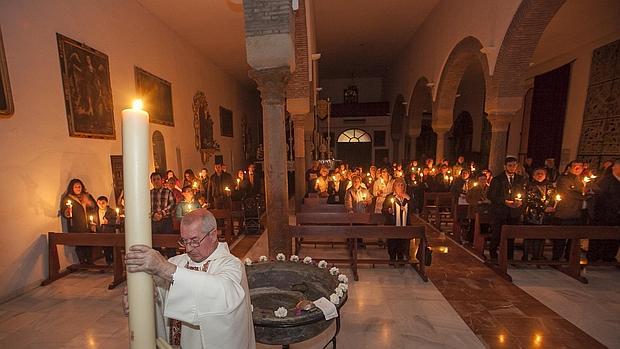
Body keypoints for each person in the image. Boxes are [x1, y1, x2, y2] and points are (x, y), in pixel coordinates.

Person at [123, 209, 256, 349]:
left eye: (194, 241)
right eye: (184, 241)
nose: (188, 249)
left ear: (213, 235)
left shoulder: (231, 265)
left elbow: (223, 293)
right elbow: (160, 293)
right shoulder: (176, 262)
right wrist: (142, 294)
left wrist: (164, 268)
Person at [487, 157, 526, 261]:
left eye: (514, 165)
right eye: (510, 165)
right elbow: (491, 195)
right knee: (497, 234)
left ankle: (509, 256)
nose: (512, 168)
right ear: (505, 166)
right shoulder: (497, 179)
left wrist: (520, 202)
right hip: (500, 212)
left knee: (511, 234)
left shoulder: (520, 179)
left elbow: (523, 193)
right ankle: (493, 254)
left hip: (514, 212)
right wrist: (504, 201)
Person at [553, 160, 588, 261]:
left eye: (580, 166)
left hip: (579, 213)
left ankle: (570, 257)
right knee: (561, 237)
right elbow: (568, 193)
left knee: (574, 239)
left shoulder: (583, 179)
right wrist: (585, 195)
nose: (577, 169)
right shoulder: (564, 179)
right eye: (575, 166)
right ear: (569, 168)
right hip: (566, 212)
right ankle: (556, 258)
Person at [588, 159, 620, 262]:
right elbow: (601, 197)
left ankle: (609, 256)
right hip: (604, 214)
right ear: (614, 167)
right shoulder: (606, 180)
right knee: (599, 236)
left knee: (614, 237)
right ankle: (594, 255)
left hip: (617, 216)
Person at [522, 168, 557, 261]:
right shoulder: (529, 185)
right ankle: (525, 256)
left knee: (541, 237)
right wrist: (543, 208)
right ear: (533, 175)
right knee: (529, 236)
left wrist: (552, 206)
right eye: (538, 173)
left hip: (545, 216)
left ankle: (537, 255)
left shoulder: (549, 186)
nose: (540, 175)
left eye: (542, 173)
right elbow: (529, 200)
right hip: (532, 215)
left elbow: (553, 198)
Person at [60, 178, 96, 264]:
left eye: (79, 186)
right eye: (75, 187)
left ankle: (90, 261)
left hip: (88, 224)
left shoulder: (87, 196)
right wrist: (67, 211)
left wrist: (90, 204)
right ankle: (82, 261)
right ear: (72, 188)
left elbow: (94, 206)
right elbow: (64, 211)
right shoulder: (68, 198)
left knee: (89, 242)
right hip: (76, 224)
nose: (78, 188)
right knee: (79, 243)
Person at [382, 178, 411, 264]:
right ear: (394, 186)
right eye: (398, 185)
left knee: (403, 243)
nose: (400, 187)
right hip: (393, 224)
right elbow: (383, 210)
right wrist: (389, 211)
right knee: (393, 242)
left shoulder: (407, 197)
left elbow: (414, 209)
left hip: (404, 224)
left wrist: (409, 199)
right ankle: (392, 258)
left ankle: (401, 258)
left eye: (402, 185)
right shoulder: (390, 197)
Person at [94, 196, 117, 265]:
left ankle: (113, 261)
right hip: (100, 232)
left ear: (107, 203)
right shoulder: (95, 212)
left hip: (109, 232)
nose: (101, 205)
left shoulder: (111, 211)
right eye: (99, 203)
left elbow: (115, 222)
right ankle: (108, 261)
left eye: (103, 203)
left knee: (111, 248)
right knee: (105, 248)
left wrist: (108, 222)